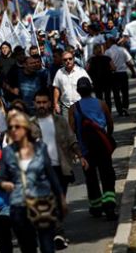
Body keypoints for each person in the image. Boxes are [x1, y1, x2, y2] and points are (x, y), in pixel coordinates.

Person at [0, 111, 66, 253]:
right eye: (11, 128)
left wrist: (61, 198)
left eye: (17, 127)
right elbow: (2, 177)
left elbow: (51, 174)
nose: (14, 131)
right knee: (28, 247)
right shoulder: (7, 152)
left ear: (26, 128)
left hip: (42, 201)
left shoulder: (40, 148)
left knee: (47, 245)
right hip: (19, 205)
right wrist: (5, 184)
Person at [32, 90, 85, 250]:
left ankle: (56, 231)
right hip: (40, 171)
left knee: (59, 202)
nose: (41, 106)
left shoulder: (60, 121)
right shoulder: (30, 125)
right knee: (50, 202)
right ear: (35, 104)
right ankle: (57, 233)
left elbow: (71, 140)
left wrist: (80, 155)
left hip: (61, 168)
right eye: (38, 103)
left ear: (49, 103)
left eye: (44, 102)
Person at [69, 78, 117, 220]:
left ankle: (96, 207)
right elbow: (110, 123)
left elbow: (71, 131)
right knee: (107, 176)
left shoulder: (74, 108)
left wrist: (74, 150)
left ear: (78, 91)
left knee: (91, 179)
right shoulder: (101, 104)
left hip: (86, 150)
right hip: (102, 147)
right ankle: (109, 207)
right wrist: (106, 137)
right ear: (92, 88)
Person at [52, 50, 91, 121]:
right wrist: (56, 103)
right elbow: (56, 88)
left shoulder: (81, 71)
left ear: (73, 59)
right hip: (66, 107)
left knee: (82, 128)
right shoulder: (59, 72)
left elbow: (89, 86)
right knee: (69, 130)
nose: (68, 61)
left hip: (81, 105)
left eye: (70, 59)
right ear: (62, 61)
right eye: (65, 59)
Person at [104, 38, 136, 116]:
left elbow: (106, 65)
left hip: (113, 75)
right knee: (125, 92)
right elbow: (129, 62)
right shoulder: (122, 50)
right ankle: (125, 107)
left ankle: (119, 110)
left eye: (107, 43)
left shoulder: (107, 52)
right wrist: (133, 72)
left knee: (116, 93)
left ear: (110, 43)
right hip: (123, 73)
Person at [86, 45, 114, 111]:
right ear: (101, 50)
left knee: (99, 98)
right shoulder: (107, 58)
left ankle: (101, 112)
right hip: (107, 81)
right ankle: (108, 112)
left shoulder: (91, 60)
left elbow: (87, 69)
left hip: (96, 82)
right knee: (108, 98)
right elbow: (113, 67)